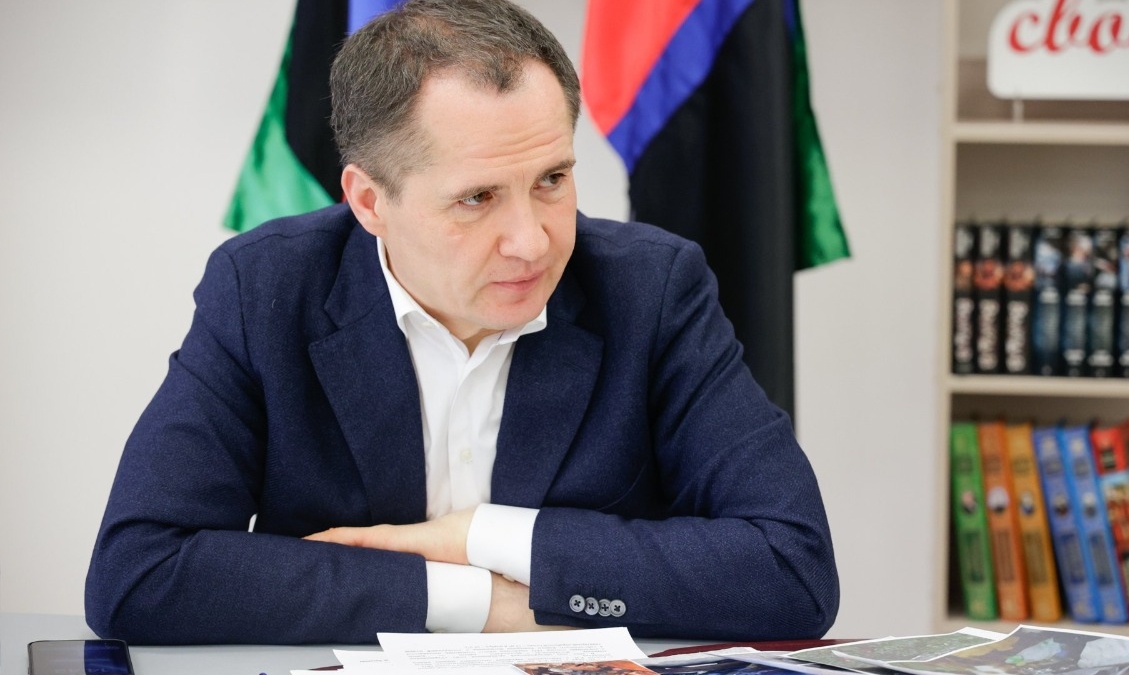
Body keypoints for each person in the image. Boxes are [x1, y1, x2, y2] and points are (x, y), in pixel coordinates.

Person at [84, 0, 838, 645]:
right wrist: (480, 602)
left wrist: (480, 534)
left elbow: (793, 569)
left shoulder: (652, 290)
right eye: (477, 198)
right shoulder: (266, 289)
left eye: (552, 180)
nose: (532, 242)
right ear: (370, 202)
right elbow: (137, 572)